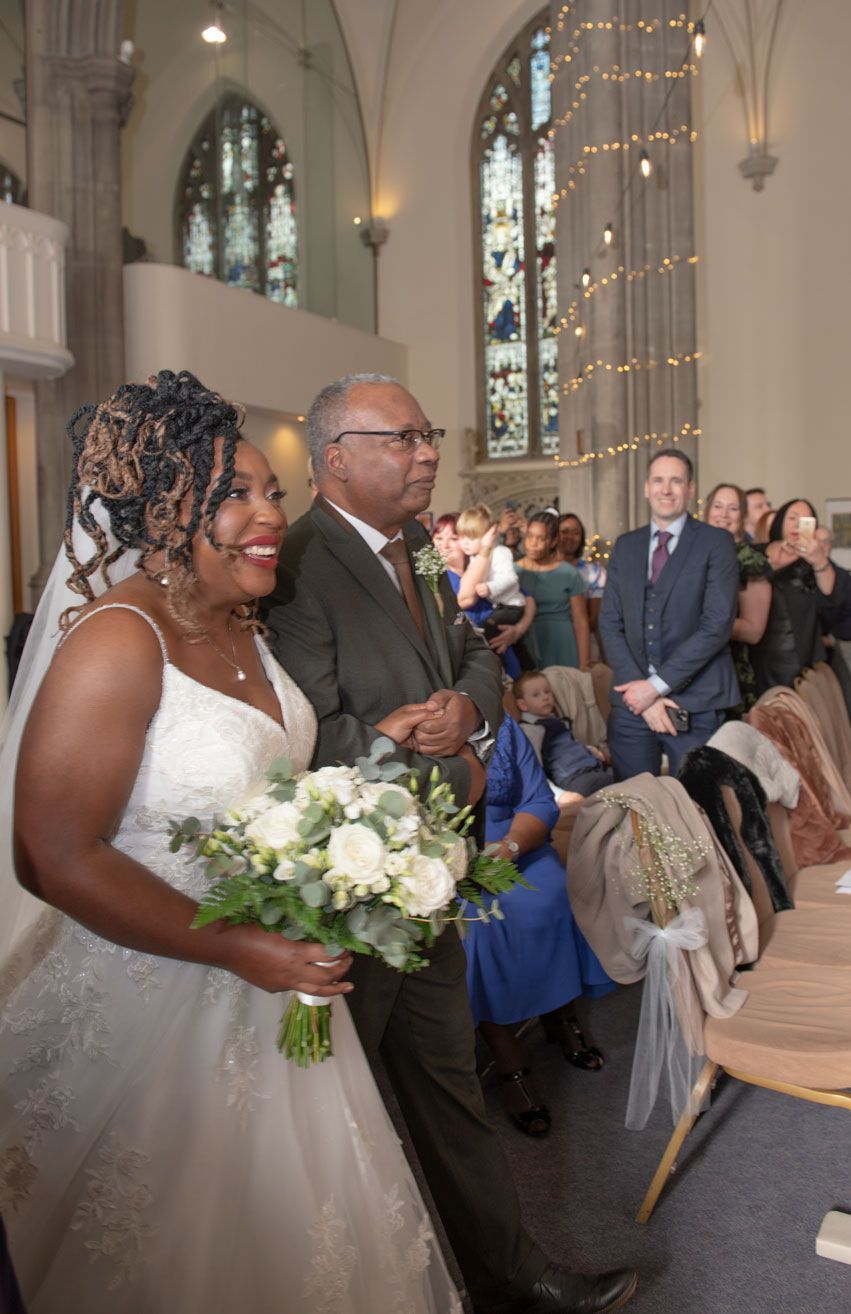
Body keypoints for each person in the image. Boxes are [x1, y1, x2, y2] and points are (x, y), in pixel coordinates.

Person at [0, 371, 462, 1313]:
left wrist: (374, 763)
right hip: (152, 999)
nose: (268, 517)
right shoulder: (116, 640)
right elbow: (50, 855)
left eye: (271, 492)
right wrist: (235, 945)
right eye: (234, 496)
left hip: (275, 982)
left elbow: (262, 788)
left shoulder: (244, 626)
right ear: (164, 512)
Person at [267, 373, 638, 1314]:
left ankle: (510, 1278)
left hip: (430, 871)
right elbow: (298, 732)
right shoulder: (296, 564)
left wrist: (469, 709)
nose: (428, 450)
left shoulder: (422, 554)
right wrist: (417, 750)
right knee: (331, 1117)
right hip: (345, 891)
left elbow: (475, 647)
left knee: (448, 1091)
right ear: (335, 459)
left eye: (427, 432)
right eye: (405, 436)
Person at [463, 715, 613, 1139]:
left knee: (549, 897)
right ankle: (511, 1065)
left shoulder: (501, 725)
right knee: (481, 928)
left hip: (517, 841)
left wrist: (510, 846)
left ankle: (561, 1016)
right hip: (452, 859)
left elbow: (539, 800)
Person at [599, 449, 740, 779]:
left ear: (690, 489)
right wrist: (644, 695)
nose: (666, 489)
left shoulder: (716, 543)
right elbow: (609, 622)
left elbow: (717, 625)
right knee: (634, 806)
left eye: (676, 481)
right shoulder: (625, 545)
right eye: (659, 480)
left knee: (696, 811)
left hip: (697, 700)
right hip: (632, 703)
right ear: (647, 487)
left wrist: (656, 687)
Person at [750, 498, 851, 697]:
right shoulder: (756, 555)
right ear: (780, 522)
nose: (797, 525)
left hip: (804, 668)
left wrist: (819, 560)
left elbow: (834, 598)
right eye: (792, 518)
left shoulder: (814, 563)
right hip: (760, 661)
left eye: (805, 520)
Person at [703, 482, 772, 712]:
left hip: (730, 672)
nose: (723, 514)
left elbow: (753, 632)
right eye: (718, 506)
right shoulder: (690, 553)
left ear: (742, 516)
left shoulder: (750, 560)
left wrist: (700, 625)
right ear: (707, 511)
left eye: (732, 508)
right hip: (688, 670)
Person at [514, 670, 614, 805]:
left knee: (628, 774)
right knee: (623, 784)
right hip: (574, 778)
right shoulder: (530, 730)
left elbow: (568, 745)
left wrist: (590, 751)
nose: (545, 697)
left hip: (593, 768)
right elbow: (533, 769)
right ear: (522, 705)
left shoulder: (554, 721)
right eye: (536, 695)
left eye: (547, 691)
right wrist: (559, 795)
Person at [456, 503, 533, 669]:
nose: (465, 543)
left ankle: (500, 667)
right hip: (500, 607)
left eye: (472, 538)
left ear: (487, 536)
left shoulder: (500, 552)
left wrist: (490, 588)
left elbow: (511, 578)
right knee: (511, 643)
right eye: (462, 537)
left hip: (511, 606)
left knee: (487, 630)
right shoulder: (473, 558)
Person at [514, 512, 591, 670]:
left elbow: (581, 623)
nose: (533, 543)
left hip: (562, 644)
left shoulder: (569, 573)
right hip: (524, 643)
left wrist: (584, 667)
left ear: (554, 540)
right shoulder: (512, 572)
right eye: (529, 536)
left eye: (541, 538)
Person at [557, 512, 607, 652]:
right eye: (564, 531)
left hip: (581, 644)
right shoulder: (541, 569)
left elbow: (594, 619)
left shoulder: (594, 571)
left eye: (576, 532)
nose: (570, 537)